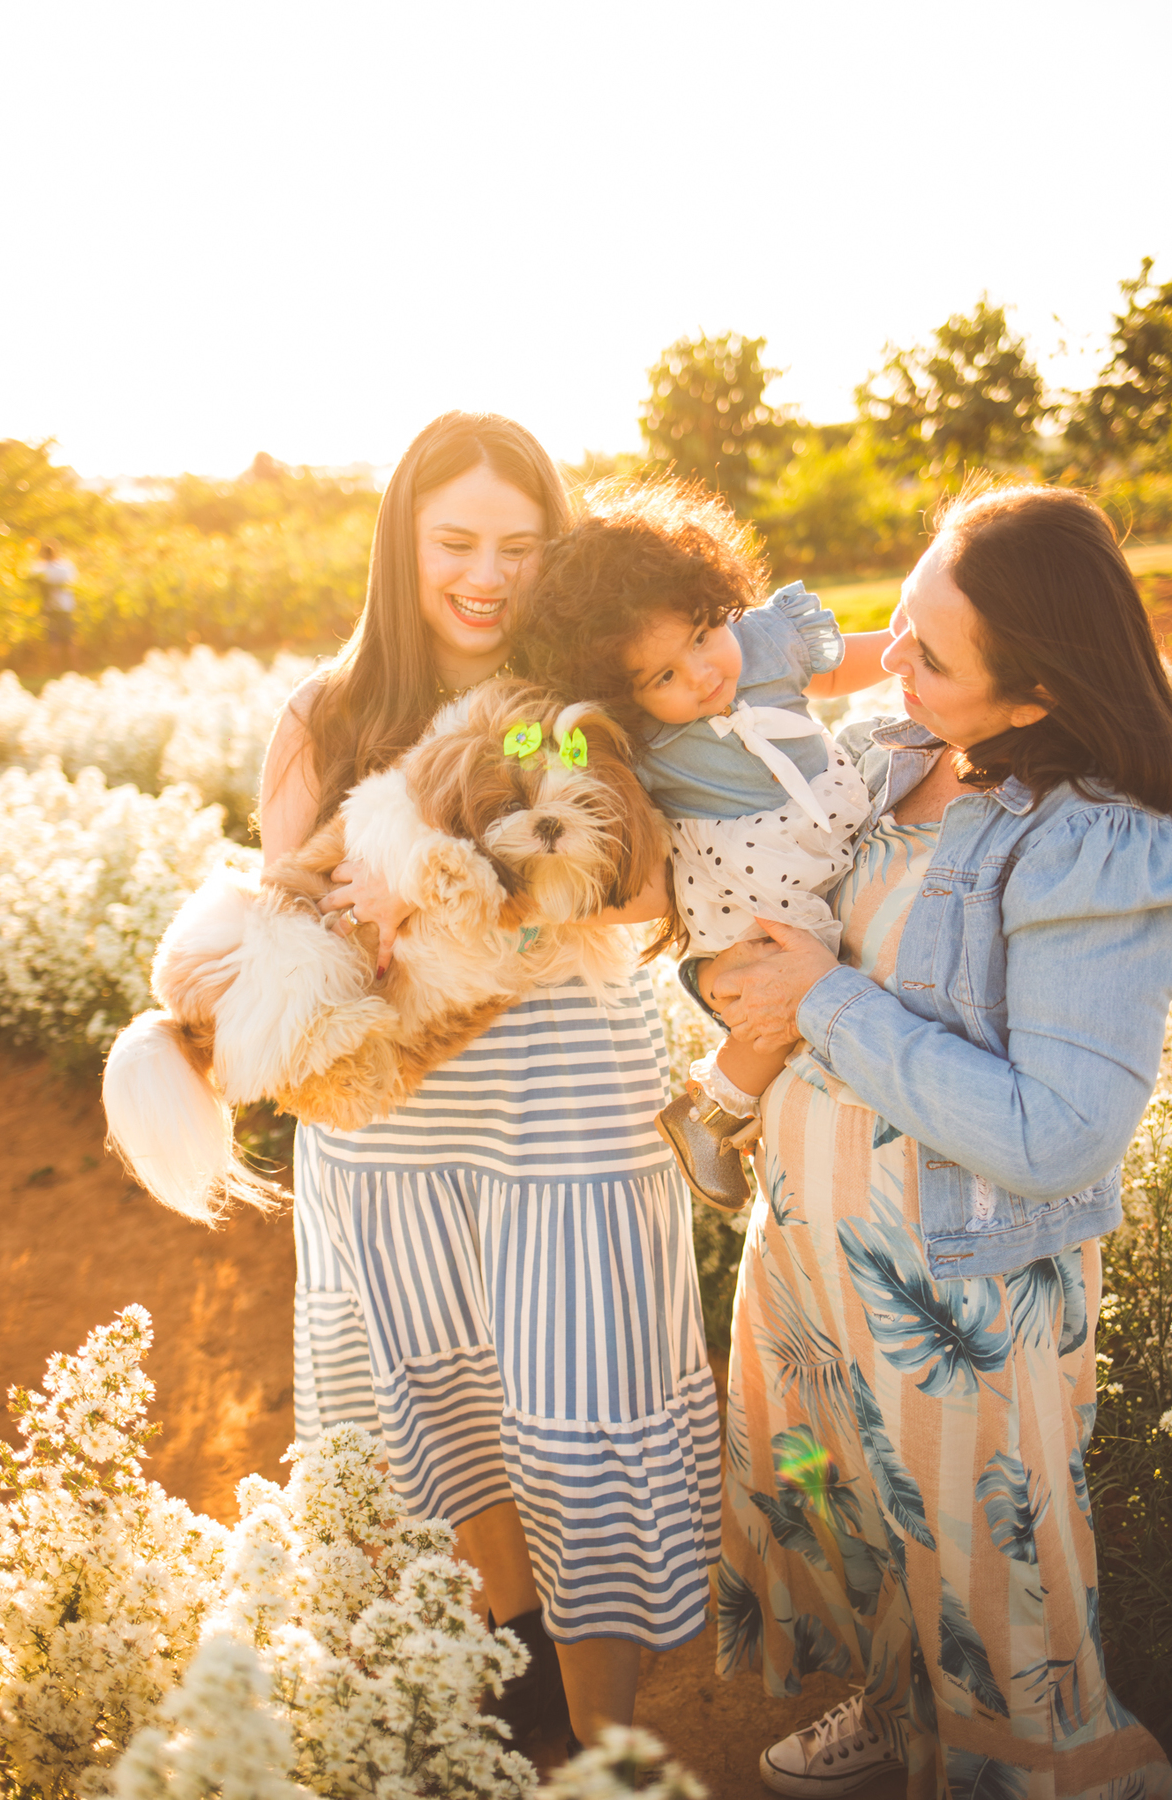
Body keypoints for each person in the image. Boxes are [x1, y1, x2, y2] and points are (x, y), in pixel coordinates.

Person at [692, 483, 1172, 1796]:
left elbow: (1060, 1134)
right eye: (899, 618)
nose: (888, 661)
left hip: (955, 1297)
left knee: (998, 1603)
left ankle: (1034, 1770)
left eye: (931, 653)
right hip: (813, 1258)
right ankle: (901, 1710)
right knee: (843, 1499)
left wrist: (824, 1002)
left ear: (1034, 700)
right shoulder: (895, 745)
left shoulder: (1099, 843)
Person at [258, 413, 721, 1755]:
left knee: (580, 1431)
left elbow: (641, 895)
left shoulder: (581, 712)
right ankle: (523, 1722)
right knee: (452, 1430)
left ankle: (608, 1749)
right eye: (454, 542)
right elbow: (286, 921)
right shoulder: (326, 714)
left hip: (569, 1110)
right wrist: (367, 905)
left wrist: (511, 870)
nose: (486, 575)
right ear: (400, 543)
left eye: (521, 546)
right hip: (392, 1132)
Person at [516, 481, 890, 1213]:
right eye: (665, 677)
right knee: (792, 973)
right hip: (751, 888)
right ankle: (713, 1112)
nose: (704, 674)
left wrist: (911, 652)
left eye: (699, 636)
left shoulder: (759, 644)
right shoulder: (645, 743)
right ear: (626, 695)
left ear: (717, 602)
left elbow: (841, 665)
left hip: (822, 830)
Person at [31, 540, 77, 654]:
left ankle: (71, 664)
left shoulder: (63, 566)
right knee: (54, 637)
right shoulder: (41, 567)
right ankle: (58, 665)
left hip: (62, 606)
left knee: (65, 636)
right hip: (52, 606)